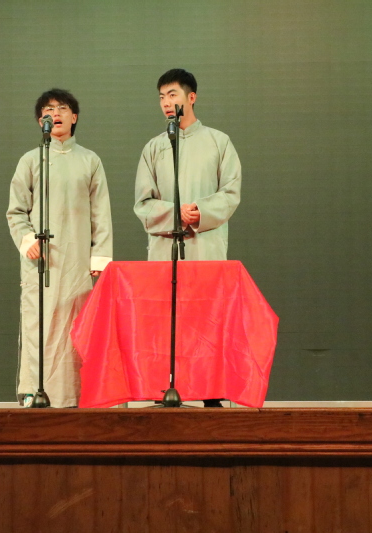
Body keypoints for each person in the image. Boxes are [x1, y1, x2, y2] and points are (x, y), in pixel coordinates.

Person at [133, 68, 241, 408]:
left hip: (205, 246)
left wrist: (200, 212)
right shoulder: (154, 148)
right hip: (165, 248)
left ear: (191, 97)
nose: (166, 103)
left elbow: (231, 193)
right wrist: (174, 212)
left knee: (206, 317)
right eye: (162, 97)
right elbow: (143, 204)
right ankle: (164, 388)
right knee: (164, 321)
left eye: (173, 95)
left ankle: (210, 393)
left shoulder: (218, 142)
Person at [7, 89, 112, 408]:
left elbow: (101, 214)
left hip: (78, 264)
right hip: (42, 263)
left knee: (77, 328)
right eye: (49, 110)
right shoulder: (30, 160)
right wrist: (28, 240)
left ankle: (76, 396)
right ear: (40, 120)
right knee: (39, 325)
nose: (55, 114)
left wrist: (100, 258)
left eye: (62, 108)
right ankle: (34, 392)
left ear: (74, 117)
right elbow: (16, 211)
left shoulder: (90, 161)